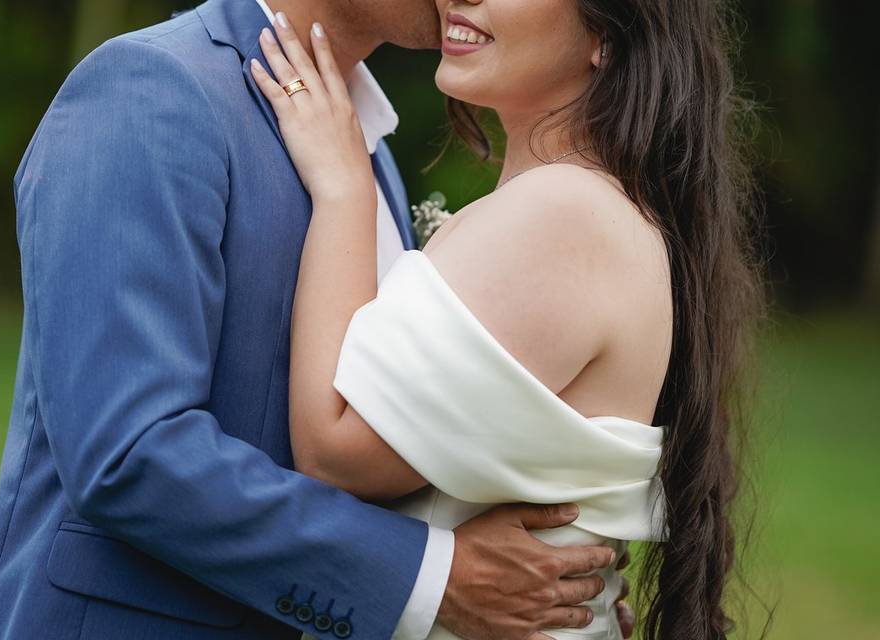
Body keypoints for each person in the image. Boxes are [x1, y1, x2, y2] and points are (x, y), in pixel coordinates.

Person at [0, 1, 637, 639]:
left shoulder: (365, 154)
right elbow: (128, 450)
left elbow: (384, 442)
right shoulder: (150, 90)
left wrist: (560, 585)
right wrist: (431, 579)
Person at [250, 0, 767, 638]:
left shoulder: (562, 216)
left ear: (604, 37)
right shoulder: (588, 206)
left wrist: (342, 186)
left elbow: (336, 454)